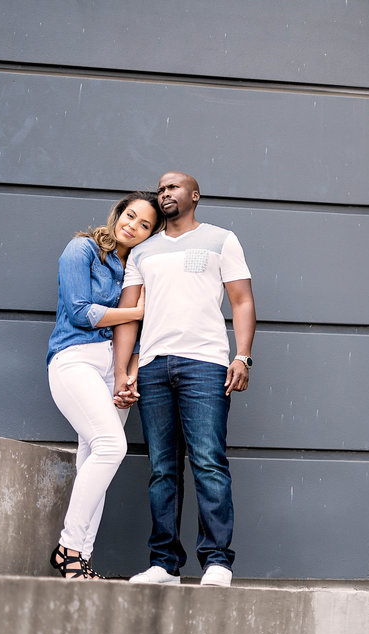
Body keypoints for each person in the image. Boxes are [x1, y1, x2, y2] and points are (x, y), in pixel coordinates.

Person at [113, 171, 255, 587]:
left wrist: (242, 356)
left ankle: (217, 562)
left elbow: (242, 300)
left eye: (173, 187)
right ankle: (164, 564)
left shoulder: (221, 239)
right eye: (160, 189)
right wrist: (123, 372)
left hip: (206, 364)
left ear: (194, 195)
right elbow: (127, 314)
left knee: (209, 462)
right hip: (154, 367)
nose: (164, 193)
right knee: (162, 468)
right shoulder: (144, 250)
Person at [46, 191, 164, 579]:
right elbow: (81, 312)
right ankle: (68, 547)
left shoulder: (141, 270)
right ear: (119, 213)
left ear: (152, 234)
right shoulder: (82, 249)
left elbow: (142, 332)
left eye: (144, 224)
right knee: (112, 446)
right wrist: (136, 310)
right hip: (75, 358)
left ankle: (81, 560)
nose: (132, 226)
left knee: (93, 462)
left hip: (115, 369)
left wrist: (129, 372)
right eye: (130, 216)